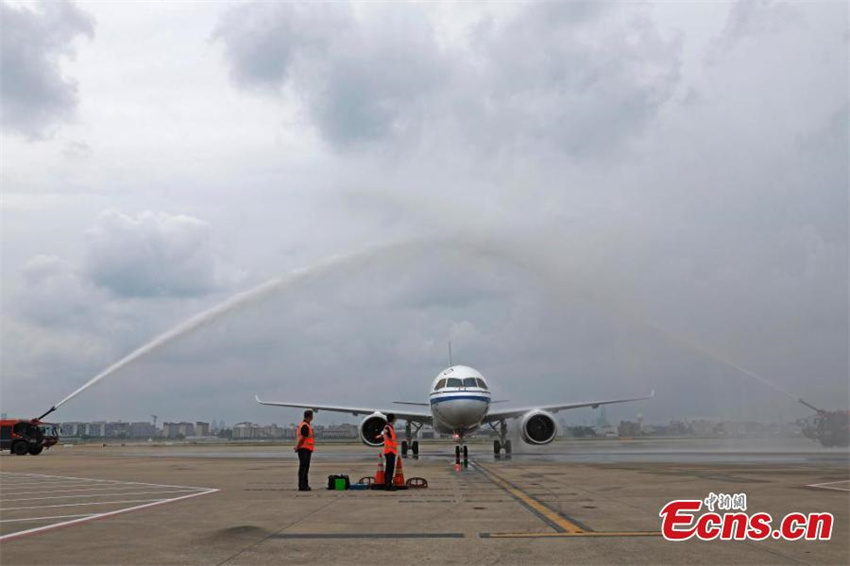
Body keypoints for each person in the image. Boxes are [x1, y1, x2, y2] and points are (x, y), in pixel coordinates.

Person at [376, 413, 398, 490]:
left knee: (390, 468)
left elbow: (384, 435)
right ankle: (388, 485)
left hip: (391, 451)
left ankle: (388, 484)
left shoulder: (390, 427)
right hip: (389, 451)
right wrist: (380, 434)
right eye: (395, 418)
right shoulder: (388, 427)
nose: (396, 420)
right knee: (389, 469)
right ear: (393, 419)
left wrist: (380, 435)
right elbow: (386, 434)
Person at [294, 409, 314, 491]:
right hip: (304, 449)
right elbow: (302, 438)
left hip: (305, 449)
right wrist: (297, 446)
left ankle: (304, 485)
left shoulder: (304, 425)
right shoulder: (305, 425)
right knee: (304, 468)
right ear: (310, 417)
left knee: (305, 468)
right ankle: (302, 486)